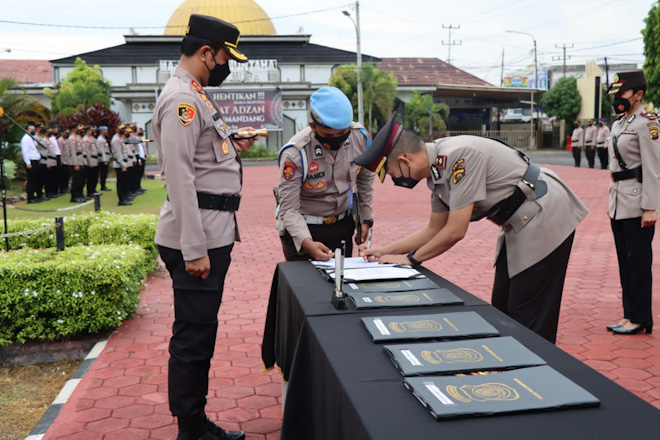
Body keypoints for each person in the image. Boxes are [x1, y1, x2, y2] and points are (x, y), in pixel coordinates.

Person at [355, 113, 589, 344]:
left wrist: (412, 260)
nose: (397, 181)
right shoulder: (435, 173)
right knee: (503, 306)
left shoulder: (458, 157)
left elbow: (455, 230)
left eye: (393, 173)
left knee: (528, 312)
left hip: (544, 212)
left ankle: (538, 371)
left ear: (405, 161)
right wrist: (386, 251)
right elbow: (434, 228)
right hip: (519, 221)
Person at [153, 14, 255, 440]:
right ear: (206, 52)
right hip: (197, 238)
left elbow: (200, 156)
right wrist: (194, 249)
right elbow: (179, 177)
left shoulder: (194, 95)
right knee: (193, 340)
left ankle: (196, 420)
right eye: (224, 58)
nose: (226, 66)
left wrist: (234, 143)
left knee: (202, 333)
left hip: (213, 231)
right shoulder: (182, 100)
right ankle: (190, 430)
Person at [277, 86, 374, 261]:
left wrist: (365, 219)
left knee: (341, 284)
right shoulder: (296, 152)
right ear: (313, 127)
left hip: (343, 226)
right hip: (304, 231)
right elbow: (288, 209)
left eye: (342, 134)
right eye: (329, 135)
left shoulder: (359, 137)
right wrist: (307, 244)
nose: (337, 139)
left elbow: (365, 179)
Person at [605, 70, 659, 335]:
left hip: (638, 204)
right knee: (625, 263)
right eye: (615, 94)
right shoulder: (618, 123)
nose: (617, 98)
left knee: (638, 263)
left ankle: (641, 317)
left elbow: (653, 168)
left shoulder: (648, 123)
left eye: (622, 93)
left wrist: (651, 206)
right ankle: (629, 315)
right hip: (618, 202)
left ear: (638, 94)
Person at [20, 122, 43, 204]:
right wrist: (28, 163)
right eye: (31, 129)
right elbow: (25, 152)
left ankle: (37, 196)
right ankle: (30, 197)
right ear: (27, 130)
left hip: (36, 160)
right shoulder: (25, 138)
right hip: (31, 161)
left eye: (34, 129)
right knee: (31, 180)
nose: (33, 131)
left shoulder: (32, 138)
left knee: (36, 179)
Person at [111, 125, 133, 206]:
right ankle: (122, 200)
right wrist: (123, 165)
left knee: (125, 182)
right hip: (120, 164)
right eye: (121, 129)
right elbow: (118, 154)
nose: (124, 131)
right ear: (117, 130)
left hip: (124, 163)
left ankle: (125, 197)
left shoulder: (120, 139)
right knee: (121, 183)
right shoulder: (116, 140)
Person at [67, 124, 86, 203]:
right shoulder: (71, 139)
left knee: (81, 180)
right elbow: (73, 152)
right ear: (73, 129)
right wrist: (76, 164)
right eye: (78, 129)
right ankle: (74, 196)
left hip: (81, 160)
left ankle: (80, 194)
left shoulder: (78, 138)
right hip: (76, 162)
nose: (80, 130)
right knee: (76, 180)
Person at [83, 126, 99, 197]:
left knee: (95, 177)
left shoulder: (92, 139)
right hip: (91, 159)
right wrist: (89, 162)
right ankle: (90, 191)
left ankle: (93, 190)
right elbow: (87, 151)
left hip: (95, 159)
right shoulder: (86, 139)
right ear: (87, 131)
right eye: (90, 130)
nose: (91, 132)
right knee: (90, 177)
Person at [97, 125, 111, 191]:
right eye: (105, 130)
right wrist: (104, 160)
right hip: (102, 159)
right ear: (101, 131)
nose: (106, 131)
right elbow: (101, 150)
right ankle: (102, 185)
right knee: (103, 173)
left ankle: (103, 185)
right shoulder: (100, 139)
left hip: (106, 157)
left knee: (105, 173)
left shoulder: (103, 139)